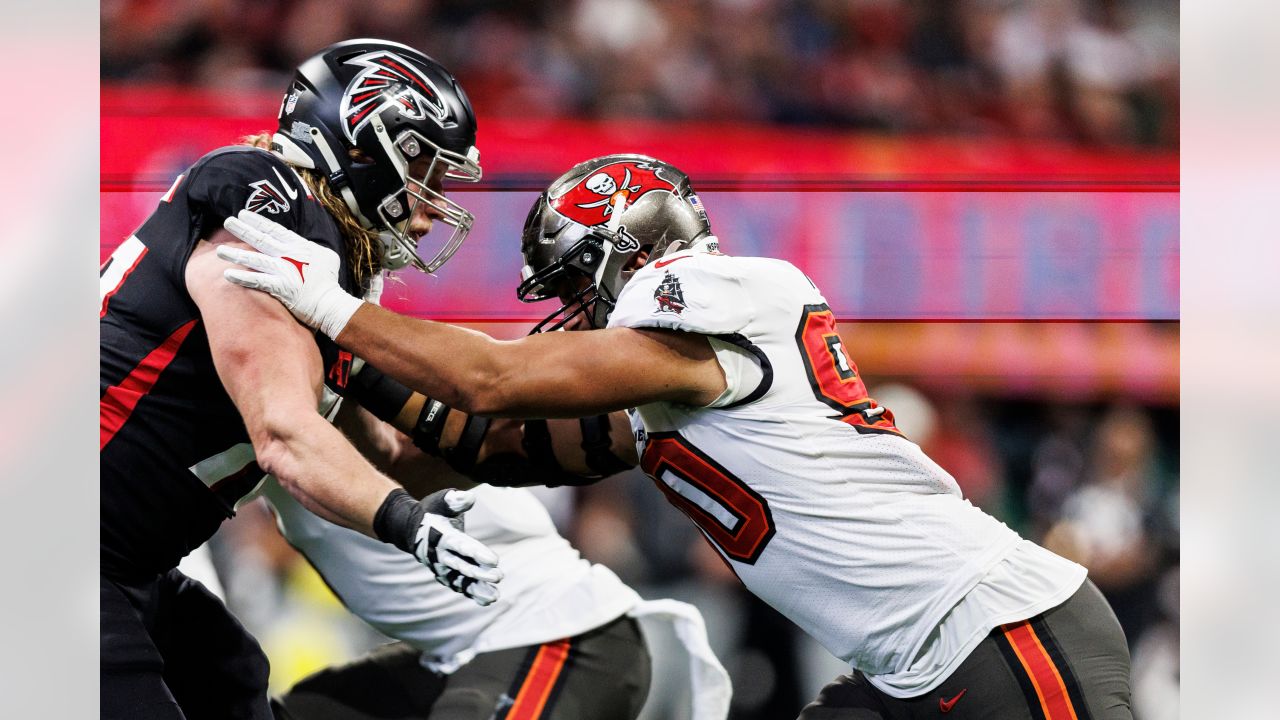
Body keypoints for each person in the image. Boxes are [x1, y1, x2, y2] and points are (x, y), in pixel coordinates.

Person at [218, 154, 1134, 719]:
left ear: (630, 252)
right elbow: (483, 446)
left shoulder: (723, 295)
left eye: (577, 286)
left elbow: (489, 381)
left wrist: (331, 308)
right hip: (904, 668)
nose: (573, 318)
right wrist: (339, 386)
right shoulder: (668, 392)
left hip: (1003, 631)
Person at [99, 38, 501, 719]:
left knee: (229, 680)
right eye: (424, 171)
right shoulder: (265, 206)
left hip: (122, 559)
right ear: (364, 145)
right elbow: (284, 434)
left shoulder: (328, 265)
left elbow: (389, 457)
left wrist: (541, 440)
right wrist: (405, 525)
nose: (433, 208)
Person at [263, 393, 730, 720]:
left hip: (557, 633)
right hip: (452, 658)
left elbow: (387, 450)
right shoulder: (245, 399)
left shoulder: (324, 392)